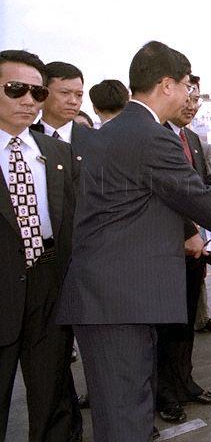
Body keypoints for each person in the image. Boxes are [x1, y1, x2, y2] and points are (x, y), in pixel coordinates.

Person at [56, 41, 211, 442]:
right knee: (125, 418)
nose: (188, 95)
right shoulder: (150, 134)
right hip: (117, 302)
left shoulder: (119, 130)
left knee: (126, 412)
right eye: (185, 86)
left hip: (113, 298)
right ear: (166, 85)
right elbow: (190, 192)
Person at [0, 50, 79, 441]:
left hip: (49, 283)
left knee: (52, 398)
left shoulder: (56, 153)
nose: (29, 100)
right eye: (16, 90)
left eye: (36, 91)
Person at [155, 75, 211, 424]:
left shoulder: (193, 139)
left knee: (185, 324)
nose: (192, 104)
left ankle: (185, 383)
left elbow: (199, 183)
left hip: (195, 249)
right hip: (164, 250)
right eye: (188, 96)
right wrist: (187, 230)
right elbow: (163, 193)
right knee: (165, 328)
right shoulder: (155, 137)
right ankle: (163, 394)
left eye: (197, 98)